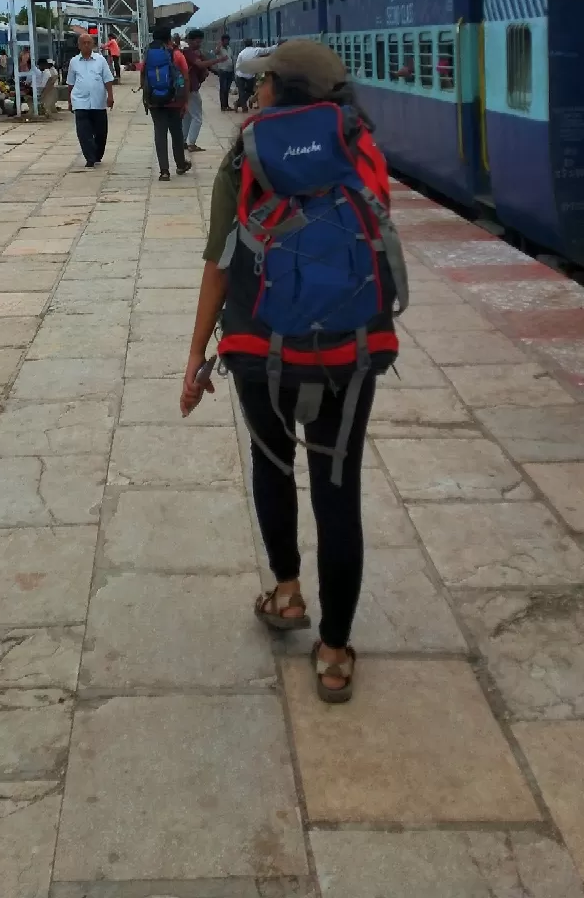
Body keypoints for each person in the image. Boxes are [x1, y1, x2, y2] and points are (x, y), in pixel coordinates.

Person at [182, 40, 405, 703]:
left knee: (273, 464)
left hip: (259, 345)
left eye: (265, 84)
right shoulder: (362, 147)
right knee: (339, 491)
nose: (258, 94)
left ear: (279, 88)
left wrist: (196, 356)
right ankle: (334, 653)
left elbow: (219, 265)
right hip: (352, 348)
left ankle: (285, 593)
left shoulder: (245, 153)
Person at [140, 24, 192, 181]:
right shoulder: (176, 55)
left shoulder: (149, 55)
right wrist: (185, 100)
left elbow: (143, 76)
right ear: (169, 38)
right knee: (176, 133)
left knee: (160, 133)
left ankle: (164, 171)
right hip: (174, 101)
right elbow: (186, 77)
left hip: (155, 101)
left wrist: (147, 97)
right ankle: (181, 165)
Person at [66, 31, 115, 167]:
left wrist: (110, 96)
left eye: (89, 43)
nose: (86, 45)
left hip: (98, 101)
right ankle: (89, 157)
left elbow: (108, 79)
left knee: (101, 132)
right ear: (79, 46)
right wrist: (69, 101)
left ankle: (97, 154)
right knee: (83, 131)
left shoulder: (100, 60)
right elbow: (70, 83)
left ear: (93, 45)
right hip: (80, 101)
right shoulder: (74, 62)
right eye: (83, 43)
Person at [181, 28, 215, 152]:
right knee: (197, 117)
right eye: (197, 42)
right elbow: (200, 65)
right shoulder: (189, 53)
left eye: (200, 42)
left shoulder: (186, 52)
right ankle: (192, 143)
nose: (199, 44)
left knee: (188, 116)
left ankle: (183, 141)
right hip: (191, 88)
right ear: (190, 40)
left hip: (186, 88)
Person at [234, 38, 271, 111]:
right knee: (249, 91)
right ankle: (243, 106)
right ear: (252, 43)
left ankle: (239, 104)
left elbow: (237, 65)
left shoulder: (241, 53)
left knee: (241, 91)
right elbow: (267, 50)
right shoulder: (255, 51)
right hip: (250, 75)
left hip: (240, 75)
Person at [213, 33, 235, 112]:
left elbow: (231, 58)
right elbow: (215, 52)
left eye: (228, 40)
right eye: (226, 40)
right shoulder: (219, 48)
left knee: (227, 89)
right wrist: (219, 45)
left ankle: (227, 105)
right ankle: (223, 106)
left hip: (230, 71)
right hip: (223, 71)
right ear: (222, 41)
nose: (227, 42)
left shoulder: (229, 48)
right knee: (223, 89)